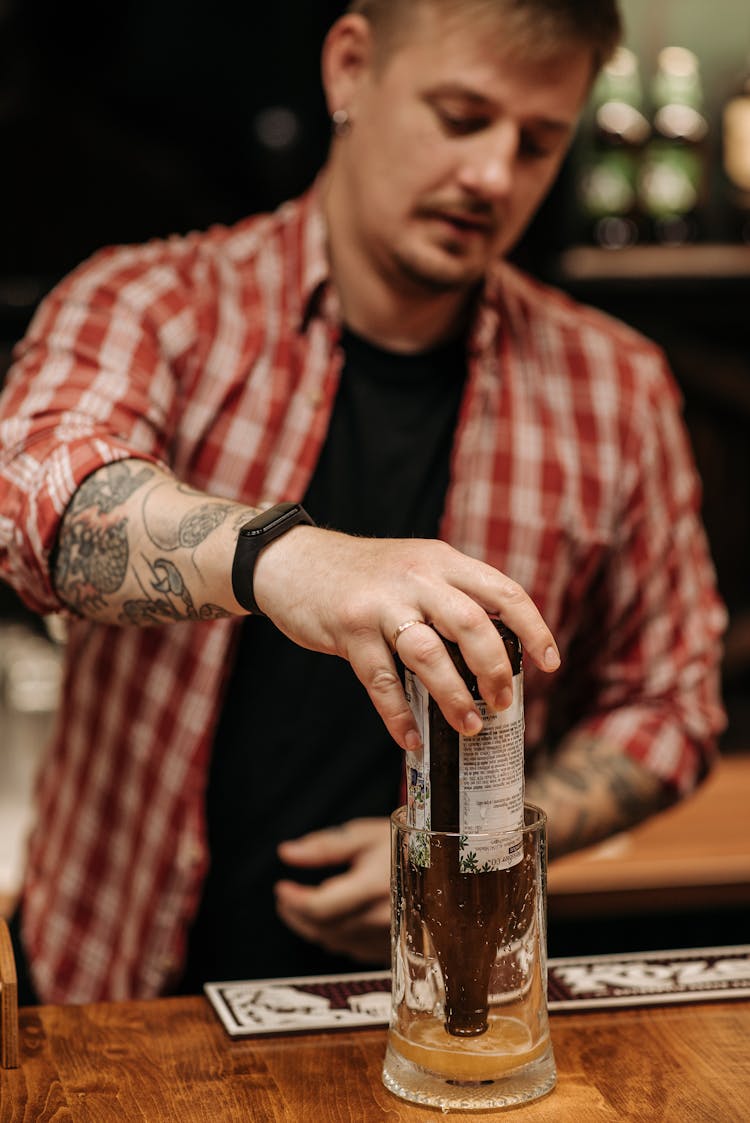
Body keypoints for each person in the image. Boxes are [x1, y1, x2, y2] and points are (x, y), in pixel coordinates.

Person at [0, 0, 726, 1006]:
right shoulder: (151, 302)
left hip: (436, 1016)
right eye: (462, 116)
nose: (492, 175)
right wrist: (295, 560)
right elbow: (36, 502)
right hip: (122, 1000)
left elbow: (671, 698)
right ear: (350, 70)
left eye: (538, 141)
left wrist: (472, 838)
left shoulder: (616, 386)